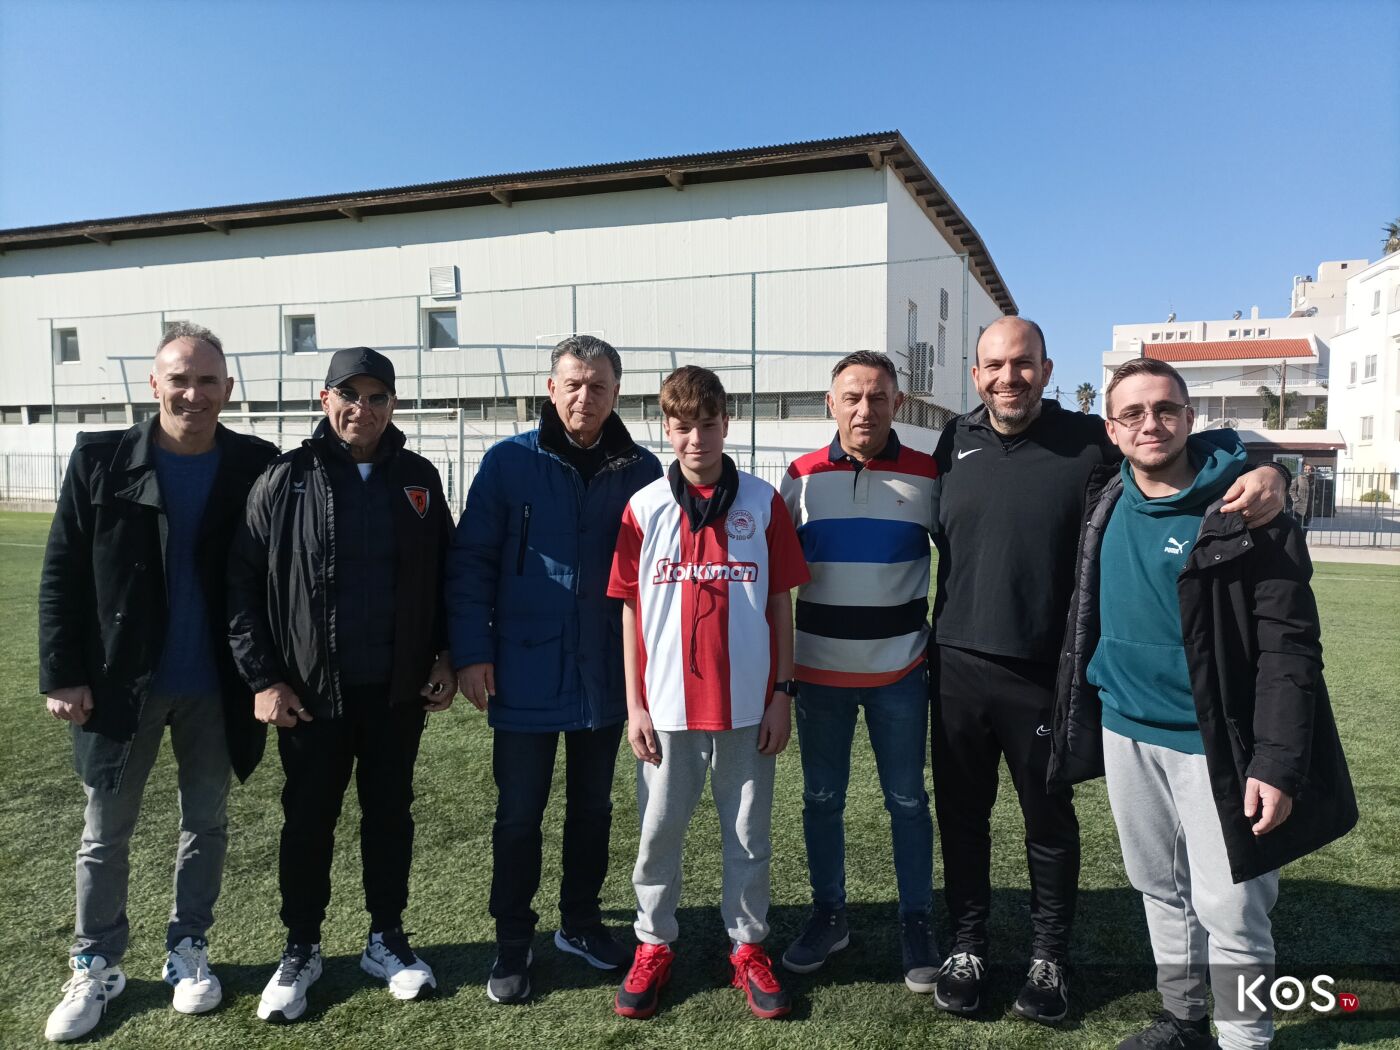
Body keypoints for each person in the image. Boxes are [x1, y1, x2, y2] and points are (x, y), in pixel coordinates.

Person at [929, 318, 1288, 1024]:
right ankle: (967, 947)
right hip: (956, 667)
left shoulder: (1089, 438)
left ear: (1046, 369)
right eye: (994, 365)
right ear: (976, 376)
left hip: (1045, 671)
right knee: (962, 819)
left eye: (1023, 363)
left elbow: (1181, 443)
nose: (1008, 377)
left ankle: (1048, 957)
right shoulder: (954, 440)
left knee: (1047, 821)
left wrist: (1269, 467)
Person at [1050, 357, 1357, 1050]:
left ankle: (1245, 1038)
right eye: (1133, 413)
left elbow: (1289, 648)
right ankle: (1183, 1019)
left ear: (1190, 418)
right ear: (1111, 429)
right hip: (1126, 732)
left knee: (1233, 909)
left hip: (1218, 743)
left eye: (1165, 409)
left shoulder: (1250, 509)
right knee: (1159, 889)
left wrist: (1276, 760)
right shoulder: (1105, 495)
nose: (1150, 424)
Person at [38, 323, 278, 1043]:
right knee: (104, 833)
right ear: (153, 384)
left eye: (207, 381)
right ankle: (96, 962)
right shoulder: (100, 459)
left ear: (227, 389)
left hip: (215, 685)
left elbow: (273, 577)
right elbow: (62, 572)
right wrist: (64, 674)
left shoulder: (255, 463)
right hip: (120, 686)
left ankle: (188, 947)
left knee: (206, 823)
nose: (192, 393)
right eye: (179, 379)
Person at [227, 346, 455, 1023]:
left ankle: (387, 938)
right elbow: (241, 586)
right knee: (308, 821)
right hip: (309, 696)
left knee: (390, 815)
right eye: (349, 395)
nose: (363, 409)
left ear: (393, 404)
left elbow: (448, 573)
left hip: (396, 692)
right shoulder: (284, 477)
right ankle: (301, 946)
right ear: (324, 399)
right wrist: (264, 679)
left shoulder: (418, 478)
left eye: (377, 397)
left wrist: (445, 656)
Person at [446, 335, 662, 1004]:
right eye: (573, 384)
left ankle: (581, 923)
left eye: (598, 386)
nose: (584, 397)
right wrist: (472, 653)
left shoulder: (642, 468)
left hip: (606, 671)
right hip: (523, 667)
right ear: (551, 388)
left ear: (616, 392)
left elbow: (659, 578)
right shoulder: (509, 461)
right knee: (519, 814)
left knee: (592, 808)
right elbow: (472, 560)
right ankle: (513, 941)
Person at [606, 366, 809, 1019]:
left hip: (749, 706)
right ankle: (653, 943)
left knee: (748, 835)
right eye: (683, 426)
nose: (696, 438)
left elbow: (780, 601)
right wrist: (635, 704)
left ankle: (747, 946)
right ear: (665, 428)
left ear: (727, 423)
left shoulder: (763, 502)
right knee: (658, 833)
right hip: (666, 709)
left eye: (708, 424)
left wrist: (782, 692)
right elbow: (630, 609)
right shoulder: (643, 507)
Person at [777, 351, 942, 992]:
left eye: (877, 397)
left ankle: (916, 919)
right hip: (819, 674)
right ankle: (829, 915)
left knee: (908, 801)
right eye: (851, 397)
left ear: (897, 403)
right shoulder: (801, 476)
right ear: (831, 403)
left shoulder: (928, 474)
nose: (864, 409)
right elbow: (773, 579)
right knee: (822, 800)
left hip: (901, 672)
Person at [1289, 464, 1315, 529]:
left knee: (1306, 528)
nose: (1307, 471)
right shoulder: (1299, 478)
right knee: (1298, 527)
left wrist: (1316, 500)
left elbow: (1317, 491)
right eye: (1306, 469)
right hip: (1299, 507)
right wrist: (1295, 498)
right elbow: (1292, 489)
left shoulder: (1314, 480)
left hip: (1309, 508)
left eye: (1309, 469)